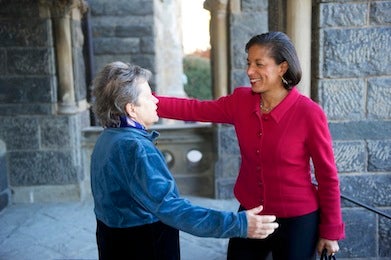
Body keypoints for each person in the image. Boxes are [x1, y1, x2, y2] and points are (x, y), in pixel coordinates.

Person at [156, 31, 345, 259]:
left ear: (282, 68)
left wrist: (331, 231)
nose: (249, 71)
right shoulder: (241, 101)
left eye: (259, 64)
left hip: (298, 220)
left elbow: (327, 175)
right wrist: (146, 101)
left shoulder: (309, 114)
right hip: (250, 214)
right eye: (248, 63)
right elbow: (194, 108)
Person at [90, 61, 279, 260]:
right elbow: (173, 209)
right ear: (131, 109)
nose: (156, 101)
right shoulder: (136, 148)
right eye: (148, 96)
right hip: (144, 245)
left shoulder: (108, 137)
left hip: (113, 241)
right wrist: (237, 224)